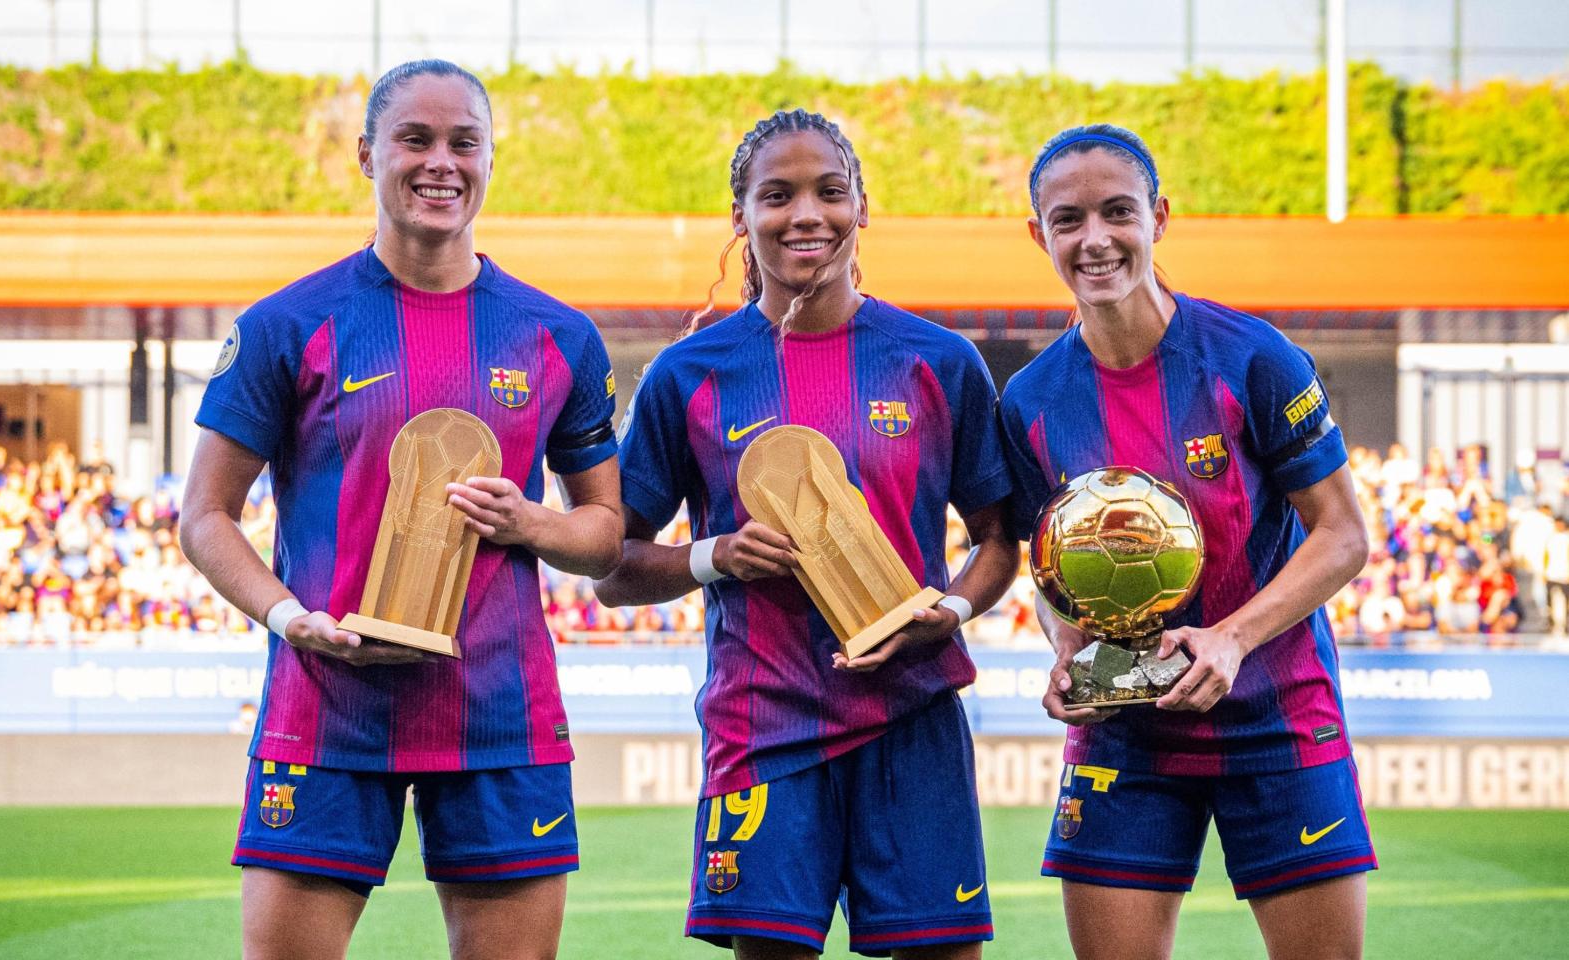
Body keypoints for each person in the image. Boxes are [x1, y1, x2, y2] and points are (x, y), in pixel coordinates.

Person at [179, 59, 622, 960]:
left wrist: (529, 522)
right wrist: (290, 617)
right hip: (328, 705)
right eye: (414, 139)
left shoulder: (557, 336)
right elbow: (205, 515)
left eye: (464, 141)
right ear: (366, 154)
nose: (440, 163)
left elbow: (606, 532)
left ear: (491, 158)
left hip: (498, 713)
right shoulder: (286, 324)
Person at [594, 109, 1016, 959]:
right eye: (776, 195)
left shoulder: (938, 360)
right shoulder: (690, 375)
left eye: (829, 191)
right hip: (764, 726)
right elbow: (612, 566)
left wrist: (957, 609)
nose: (805, 215)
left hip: (914, 715)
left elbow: (1000, 539)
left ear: (863, 205)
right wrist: (714, 557)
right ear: (742, 217)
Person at [999, 124, 1373, 960]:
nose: (1094, 240)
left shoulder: (1252, 358)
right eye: (1068, 220)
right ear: (1039, 235)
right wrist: (1067, 651)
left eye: (1117, 212)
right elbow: (1050, 571)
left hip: (1277, 716)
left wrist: (1232, 639)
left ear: (1159, 217)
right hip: (1124, 731)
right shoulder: (1028, 399)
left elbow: (1345, 536)